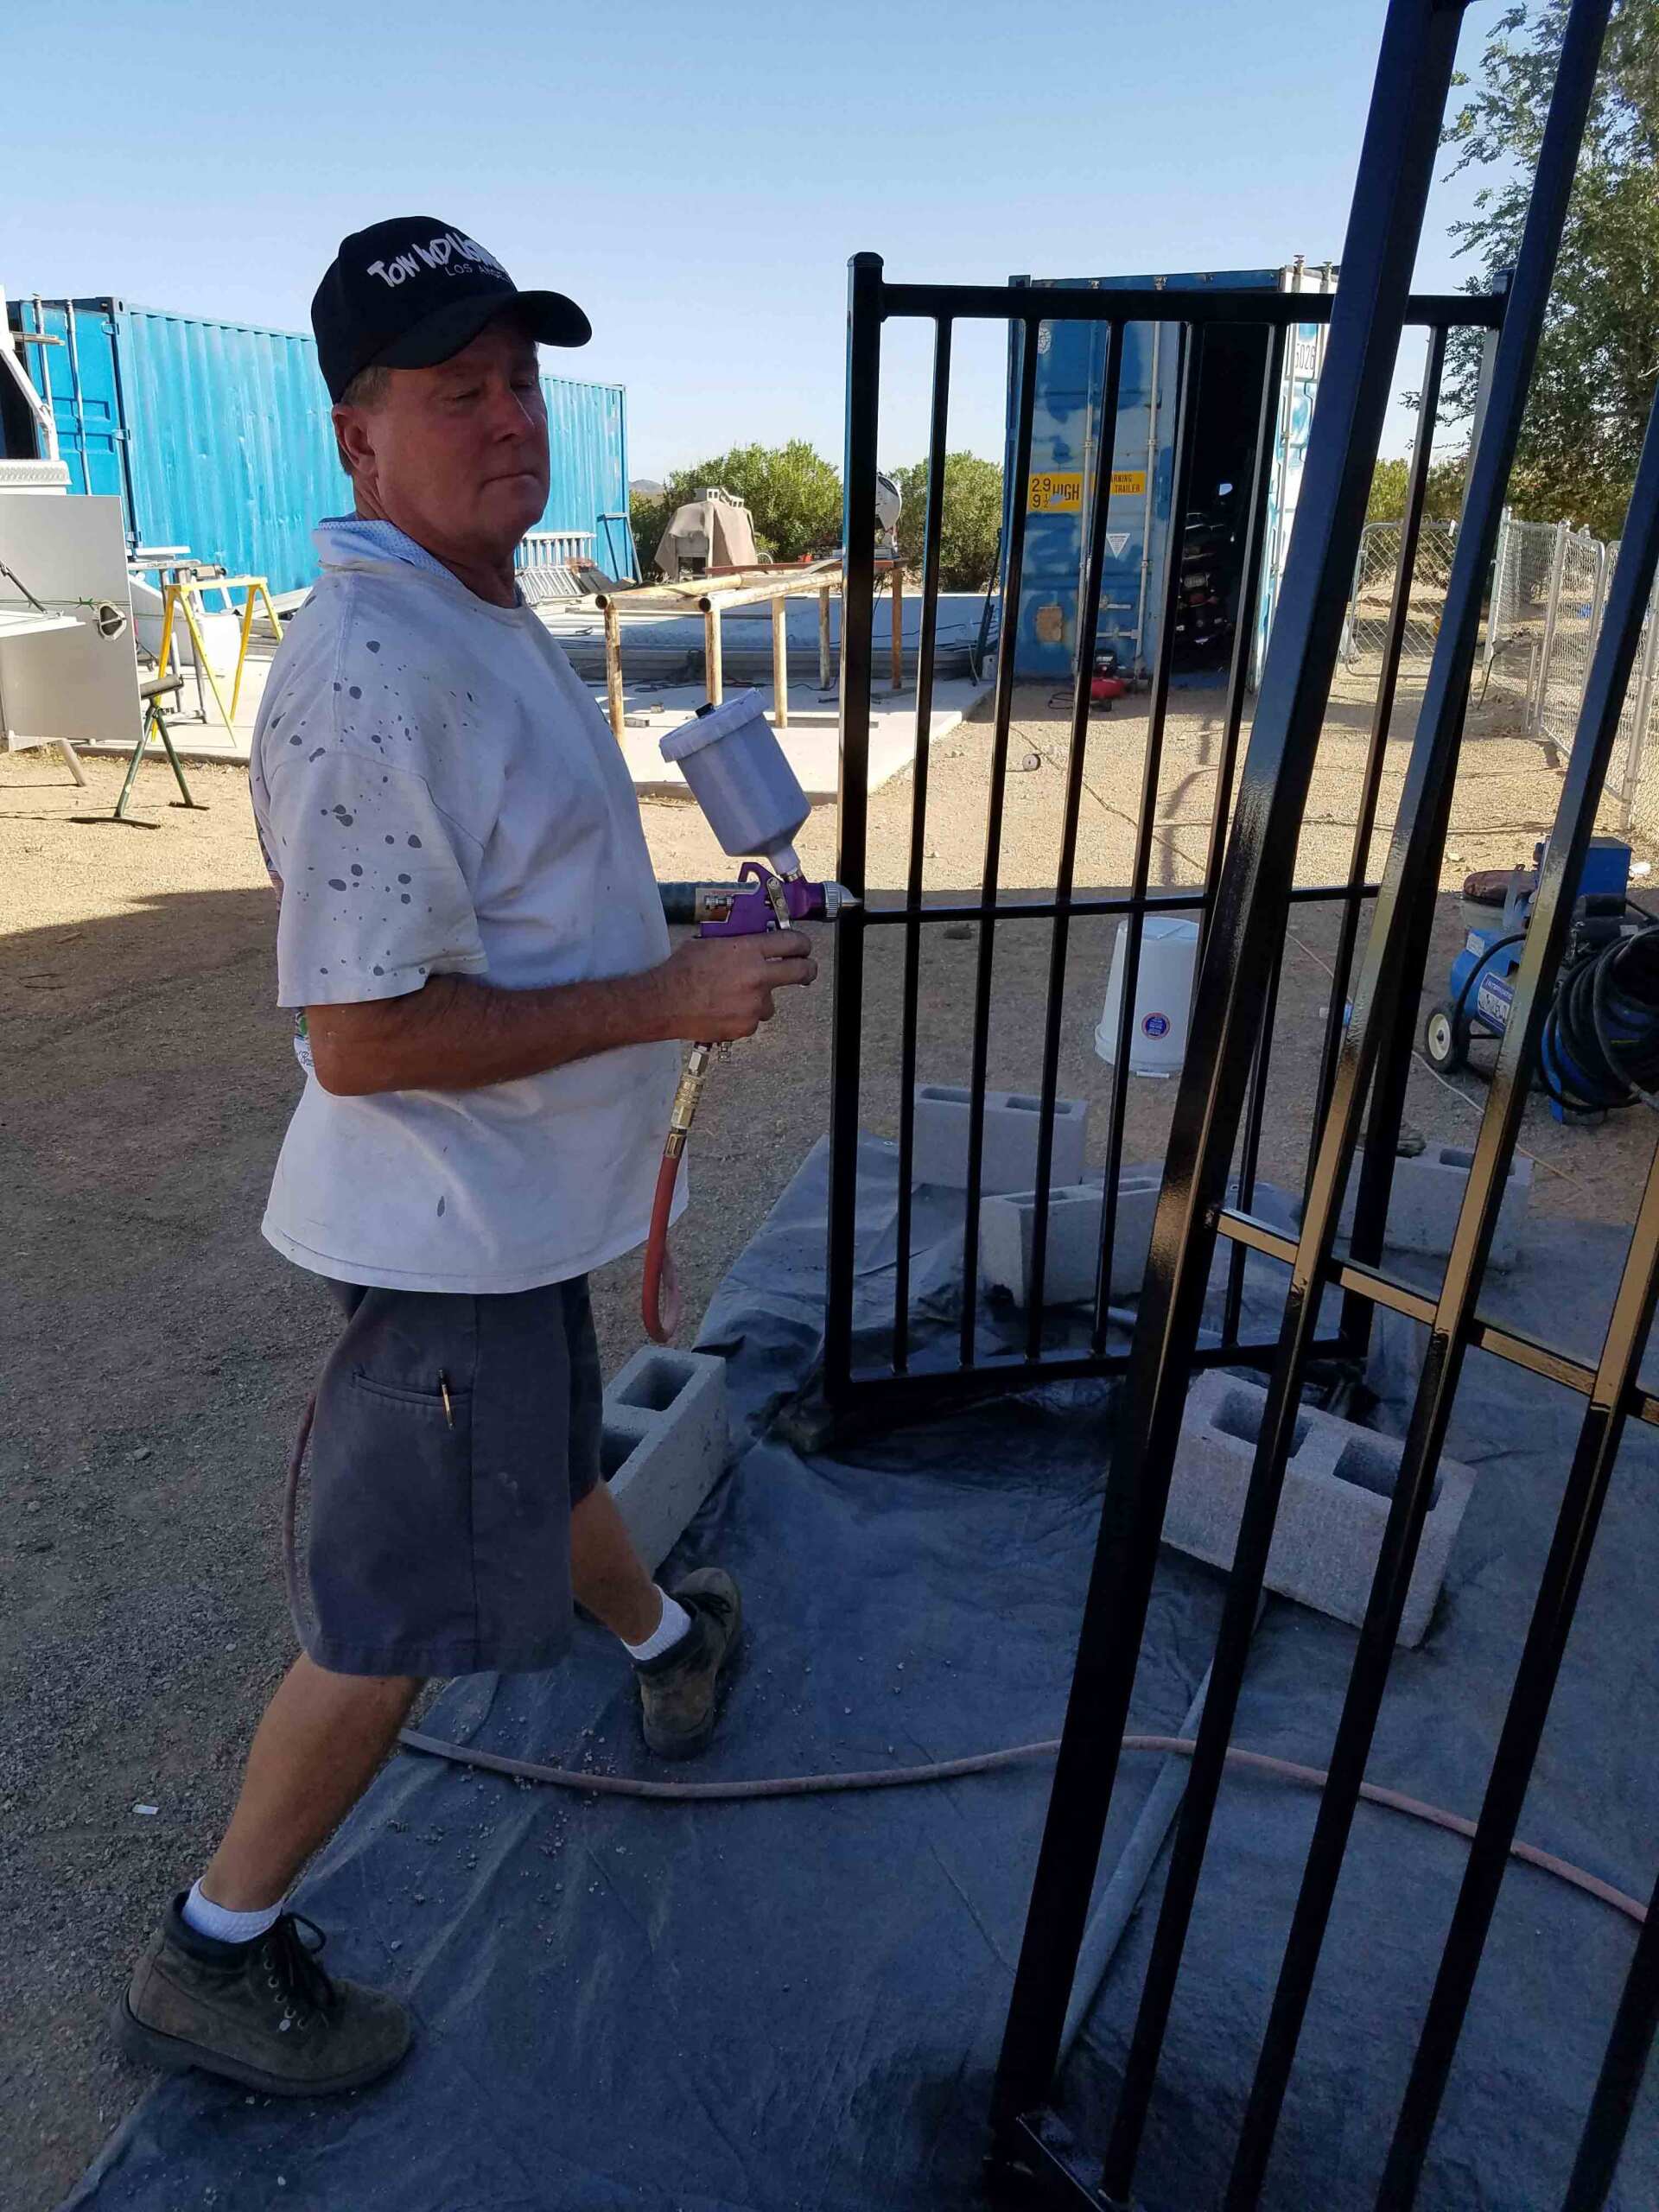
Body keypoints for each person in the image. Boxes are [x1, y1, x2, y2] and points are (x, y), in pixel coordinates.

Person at [112, 217, 817, 2098]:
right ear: (359, 435)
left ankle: (658, 1638)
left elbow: (512, 910)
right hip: (447, 1228)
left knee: (545, 1448)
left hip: (510, 1217)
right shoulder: (367, 671)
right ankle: (217, 1946)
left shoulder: (472, 612)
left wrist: (685, 931)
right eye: (455, 390)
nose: (508, 418)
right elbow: (364, 1038)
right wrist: (669, 995)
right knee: (389, 1620)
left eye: (520, 380)